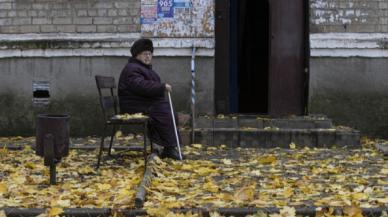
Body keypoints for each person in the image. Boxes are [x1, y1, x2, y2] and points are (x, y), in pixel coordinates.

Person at [118, 38, 182, 160]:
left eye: (150, 54)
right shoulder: (132, 68)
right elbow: (140, 85)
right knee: (164, 111)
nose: (148, 56)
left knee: (165, 109)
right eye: (144, 54)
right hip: (133, 105)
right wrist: (161, 87)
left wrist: (159, 88)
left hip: (141, 102)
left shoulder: (141, 67)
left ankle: (162, 147)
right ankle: (169, 148)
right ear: (137, 55)